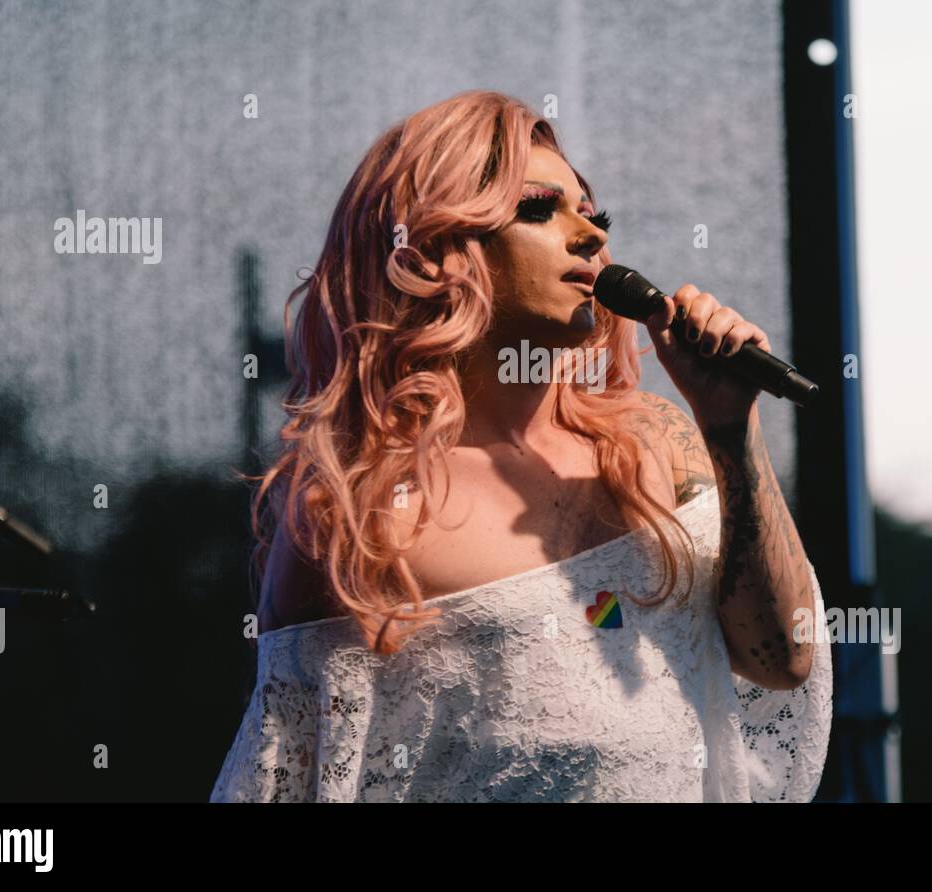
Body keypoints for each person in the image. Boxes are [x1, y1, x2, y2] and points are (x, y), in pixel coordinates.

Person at [211, 90, 832, 802]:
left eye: (595, 216)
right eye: (540, 209)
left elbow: (783, 657)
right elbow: (287, 780)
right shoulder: (362, 514)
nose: (590, 236)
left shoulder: (654, 443)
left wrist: (729, 426)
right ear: (437, 247)